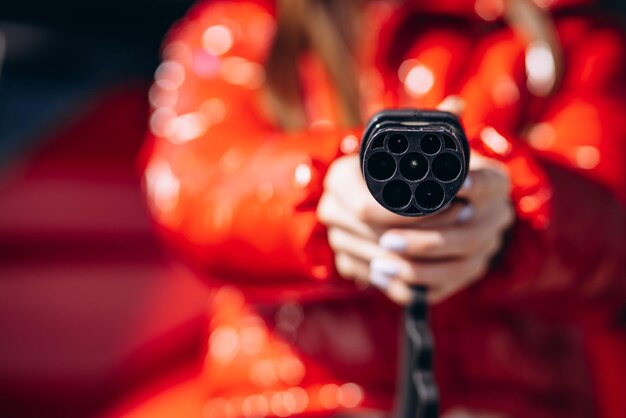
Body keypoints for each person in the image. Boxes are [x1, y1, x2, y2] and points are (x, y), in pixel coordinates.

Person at [111, 0, 626, 417]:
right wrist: (320, 196)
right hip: (291, 397)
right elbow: (193, 185)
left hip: (516, 399)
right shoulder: (241, 27)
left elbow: (611, 230)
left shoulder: (568, 33)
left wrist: (514, 210)